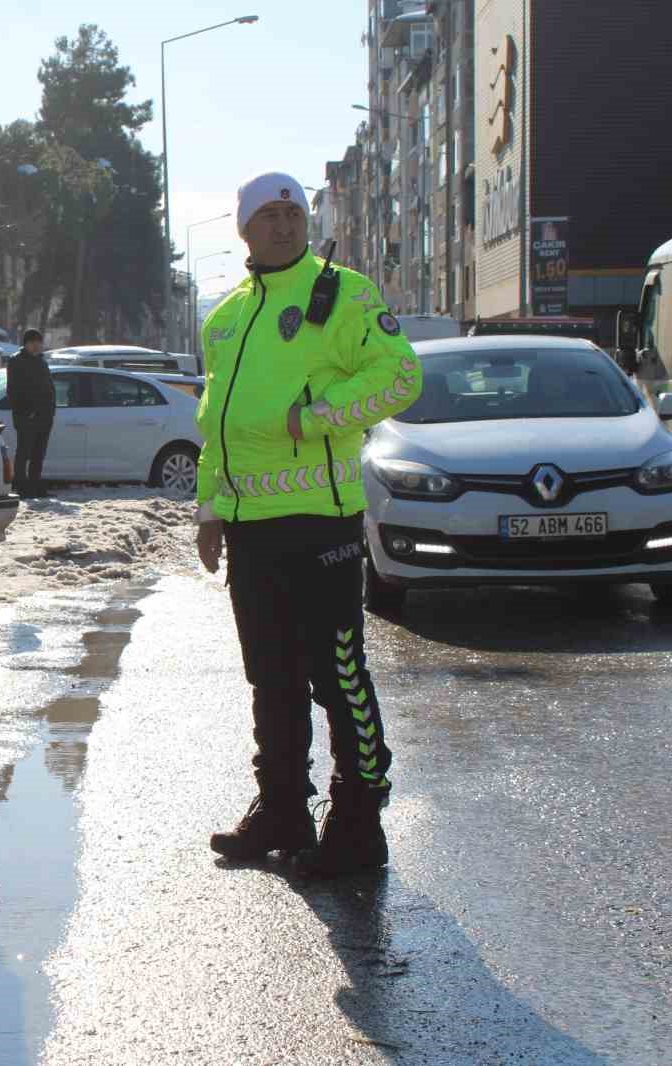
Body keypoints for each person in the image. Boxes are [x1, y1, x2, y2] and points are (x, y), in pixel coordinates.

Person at [195, 172, 422, 879]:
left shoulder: (343, 293)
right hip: (251, 528)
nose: (286, 224)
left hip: (321, 522)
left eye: (294, 212)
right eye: (269, 213)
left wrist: (317, 415)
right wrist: (209, 509)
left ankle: (357, 820)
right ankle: (282, 808)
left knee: (337, 671)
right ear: (244, 230)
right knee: (272, 675)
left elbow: (400, 375)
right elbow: (214, 426)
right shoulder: (226, 317)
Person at [5, 328, 55, 497]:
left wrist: (51, 411)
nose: (36, 346)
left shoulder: (42, 361)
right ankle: (21, 486)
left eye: (38, 343)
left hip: (45, 416)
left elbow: (49, 389)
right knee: (24, 452)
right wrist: (26, 411)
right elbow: (13, 391)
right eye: (32, 343)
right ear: (25, 344)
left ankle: (36, 485)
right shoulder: (16, 361)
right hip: (26, 417)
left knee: (39, 453)